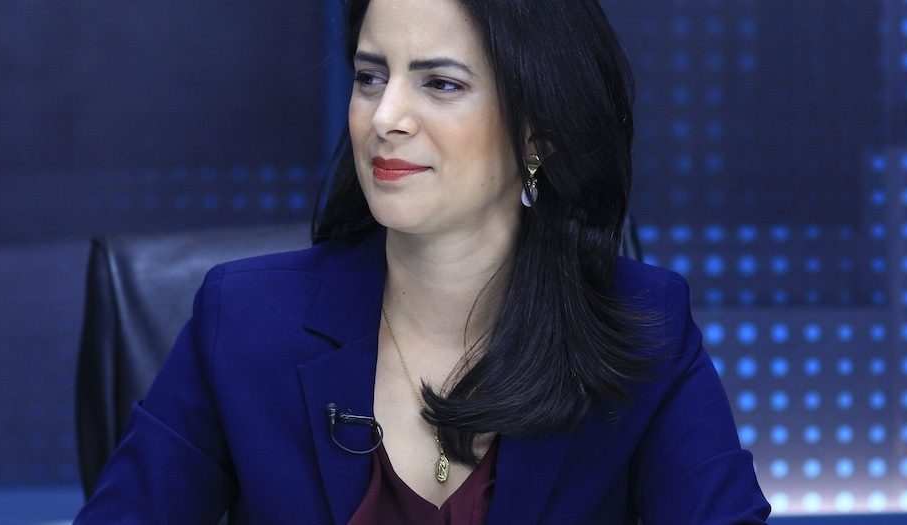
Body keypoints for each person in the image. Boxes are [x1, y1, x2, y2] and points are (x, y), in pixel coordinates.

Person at [76, 0, 771, 523]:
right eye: (370, 77)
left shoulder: (644, 328)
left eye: (440, 84)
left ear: (540, 131)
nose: (385, 117)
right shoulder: (241, 320)